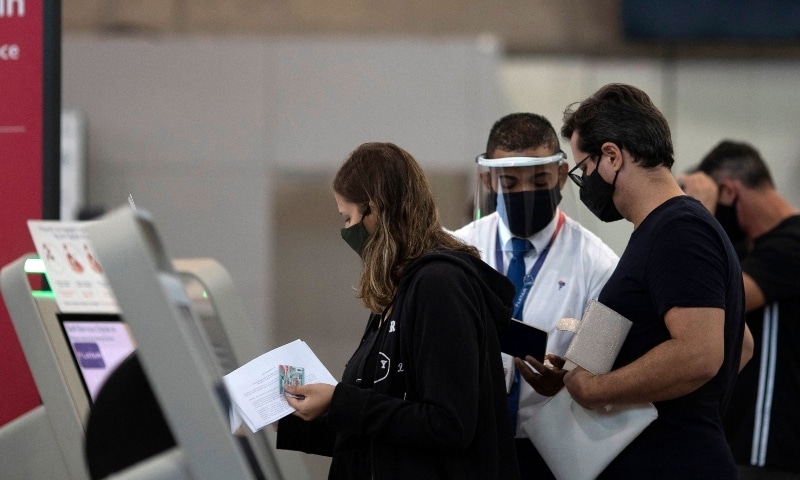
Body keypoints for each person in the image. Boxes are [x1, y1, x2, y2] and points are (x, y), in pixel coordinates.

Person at [275, 142, 520, 480]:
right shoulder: (399, 290)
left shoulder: (439, 285)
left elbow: (448, 424)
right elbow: (377, 429)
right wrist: (287, 418)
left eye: (348, 217)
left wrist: (340, 401)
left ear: (373, 210)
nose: (347, 231)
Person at [560, 84, 746, 479]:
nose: (584, 184)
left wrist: (596, 389)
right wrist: (573, 371)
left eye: (583, 169)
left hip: (676, 461)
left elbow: (700, 354)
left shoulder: (679, 230)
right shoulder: (657, 230)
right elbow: (740, 342)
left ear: (611, 156)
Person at [451, 112, 618, 478]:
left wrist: (570, 378)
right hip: (467, 447)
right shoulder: (457, 252)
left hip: (552, 453)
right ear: (486, 178)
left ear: (561, 175)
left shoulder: (601, 266)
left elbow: (603, 363)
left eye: (539, 180)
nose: (524, 194)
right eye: (509, 183)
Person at [680, 140, 800, 479]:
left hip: (769, 449)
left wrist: (699, 212)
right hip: (738, 441)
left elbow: (707, 297)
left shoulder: (792, 243)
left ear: (729, 192)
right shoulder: (747, 247)